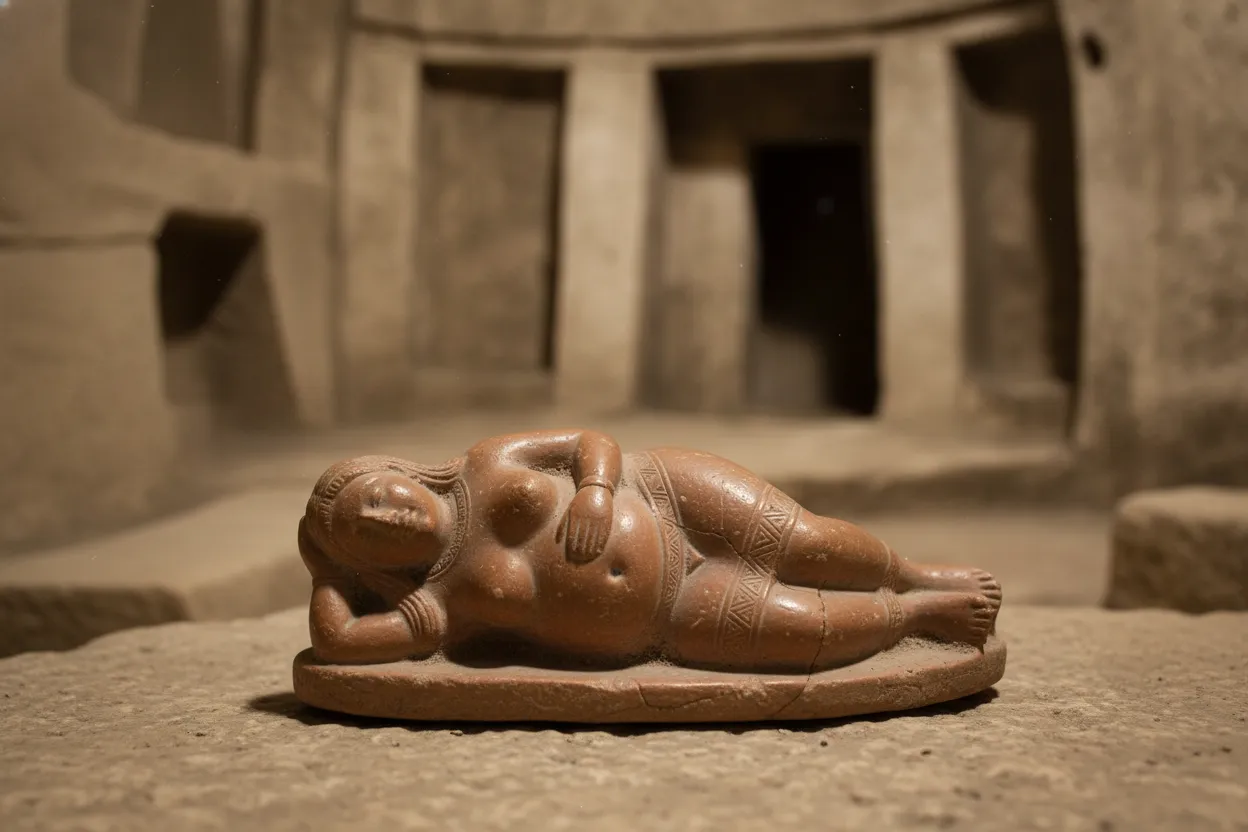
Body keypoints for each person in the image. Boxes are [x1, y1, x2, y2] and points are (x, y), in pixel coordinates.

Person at [299, 429, 1001, 673]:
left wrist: (596, 491)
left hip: (670, 497)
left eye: (379, 494)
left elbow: (586, 443)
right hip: (666, 617)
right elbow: (340, 643)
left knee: (810, 542)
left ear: (399, 471)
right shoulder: (442, 600)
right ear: (372, 562)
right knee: (802, 627)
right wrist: (326, 568)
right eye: (365, 531)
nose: (388, 515)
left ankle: (913, 573)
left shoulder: (488, 461)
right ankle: (918, 619)